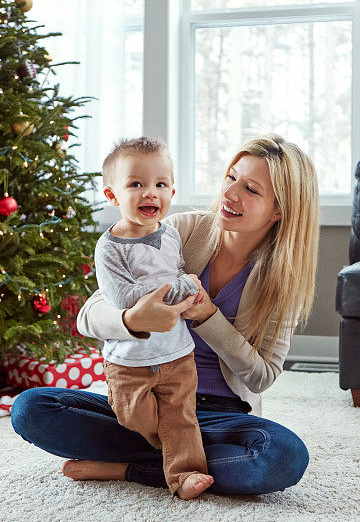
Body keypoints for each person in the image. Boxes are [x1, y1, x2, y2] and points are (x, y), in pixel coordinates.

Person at [10, 134, 319, 496]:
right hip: (144, 400)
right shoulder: (179, 231)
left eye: (250, 189)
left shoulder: (282, 280)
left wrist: (208, 316)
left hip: (215, 414)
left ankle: (129, 468)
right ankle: (181, 462)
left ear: (279, 210)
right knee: (31, 408)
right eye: (231, 177)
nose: (230, 194)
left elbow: (262, 376)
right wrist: (132, 321)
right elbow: (90, 314)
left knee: (283, 457)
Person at [94, 137, 212, 499]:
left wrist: (182, 286)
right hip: (129, 361)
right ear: (113, 195)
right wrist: (181, 286)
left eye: (160, 184)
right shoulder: (109, 247)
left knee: (181, 416)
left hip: (177, 354)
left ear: (171, 191)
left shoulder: (172, 235)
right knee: (134, 417)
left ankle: (184, 476)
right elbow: (123, 298)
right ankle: (156, 451)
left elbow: (177, 276)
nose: (151, 193)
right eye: (136, 184)